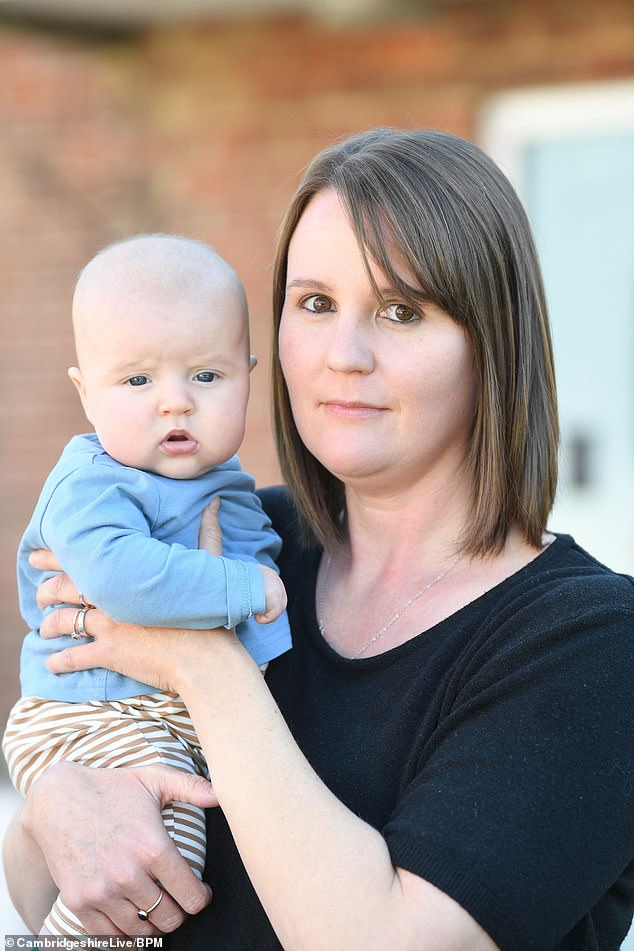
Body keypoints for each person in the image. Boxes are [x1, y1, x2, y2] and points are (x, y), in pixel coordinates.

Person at [4, 128, 634, 950]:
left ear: (493, 344)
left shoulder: (589, 644)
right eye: (315, 303)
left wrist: (202, 662)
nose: (344, 355)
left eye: (401, 310)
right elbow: (39, 884)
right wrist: (55, 808)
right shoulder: (239, 541)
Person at [2, 233, 291, 937]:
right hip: (86, 716)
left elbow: (258, 644)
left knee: (170, 848)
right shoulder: (91, 482)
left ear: (249, 375)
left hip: (155, 723)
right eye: (137, 381)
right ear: (86, 392)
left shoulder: (230, 489)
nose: (175, 404)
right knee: (162, 854)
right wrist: (242, 586)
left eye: (206, 376)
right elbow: (121, 582)